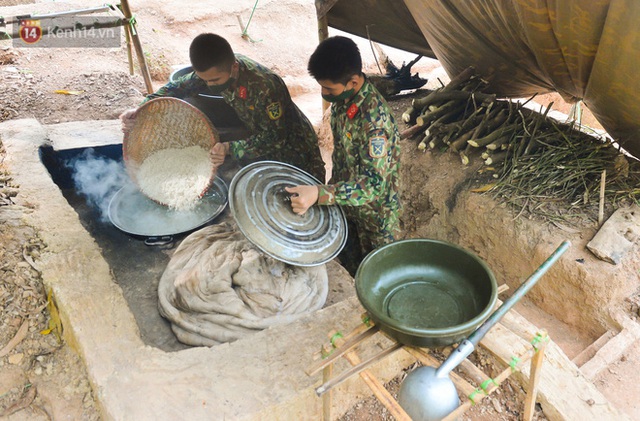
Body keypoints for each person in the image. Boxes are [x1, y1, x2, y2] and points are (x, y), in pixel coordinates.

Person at [119, 33, 326, 182]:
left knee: (300, 199)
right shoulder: (214, 72)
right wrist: (142, 108)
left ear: (234, 66)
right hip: (260, 138)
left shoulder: (265, 86)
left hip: (294, 149)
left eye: (215, 80)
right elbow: (178, 87)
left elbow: (276, 137)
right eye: (204, 80)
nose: (210, 85)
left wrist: (230, 147)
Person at [285, 36, 402, 276]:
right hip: (346, 208)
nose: (324, 93)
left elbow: (373, 186)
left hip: (374, 219)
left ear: (353, 81)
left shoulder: (375, 123)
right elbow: (342, 158)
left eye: (329, 89)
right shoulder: (343, 101)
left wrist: (320, 193)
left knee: (377, 278)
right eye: (321, 86)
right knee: (350, 272)